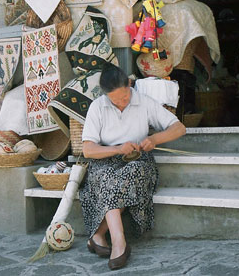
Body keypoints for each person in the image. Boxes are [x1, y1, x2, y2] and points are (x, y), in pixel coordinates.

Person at [79, 64, 186, 270]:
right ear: (106, 95)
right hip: (105, 161)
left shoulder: (144, 102)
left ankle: (100, 234)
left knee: (132, 172)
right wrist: (118, 149)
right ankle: (119, 241)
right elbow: (88, 150)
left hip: (138, 160)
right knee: (106, 177)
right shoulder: (98, 107)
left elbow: (179, 128)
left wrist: (154, 139)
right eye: (115, 100)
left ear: (129, 84)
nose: (121, 102)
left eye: (124, 96)